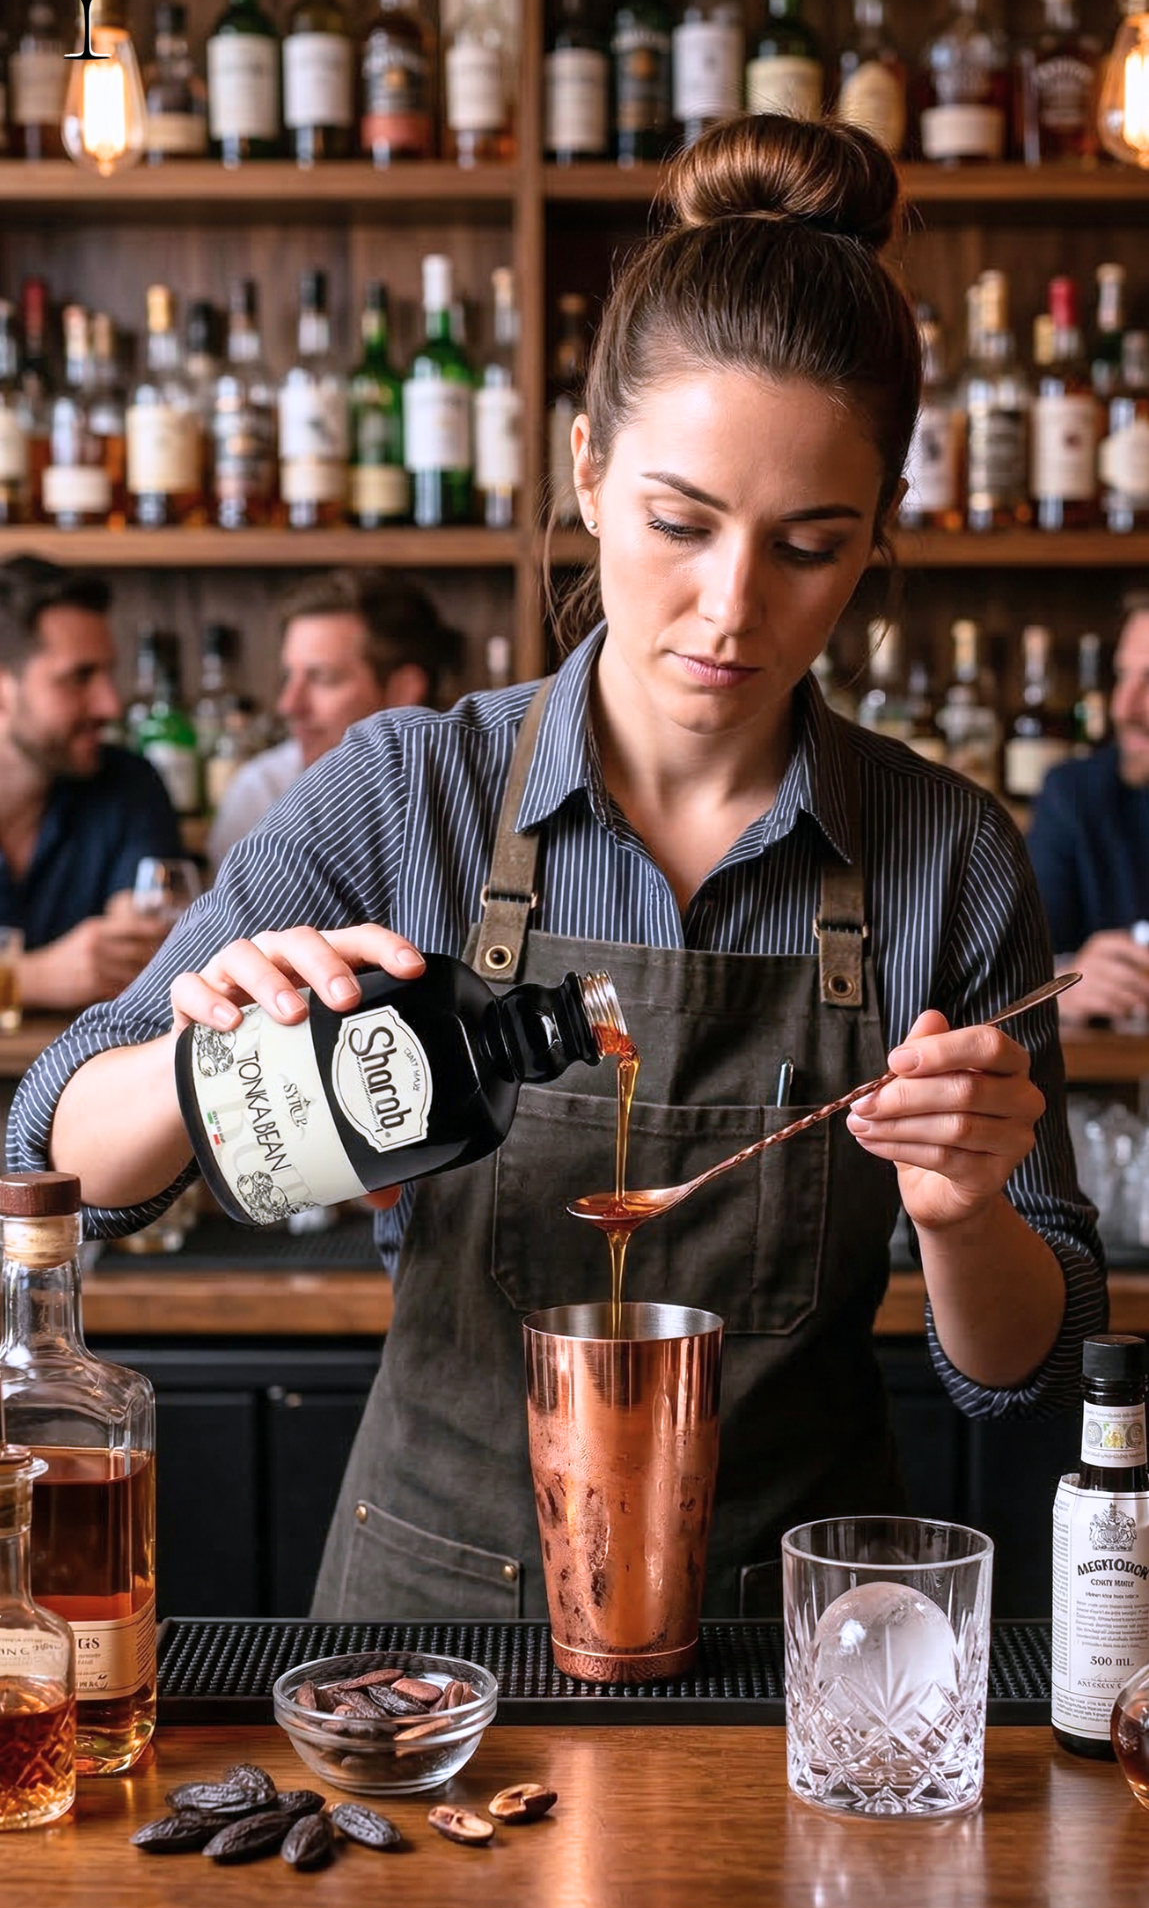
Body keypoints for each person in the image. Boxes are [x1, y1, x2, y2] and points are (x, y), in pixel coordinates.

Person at [10, 117, 1104, 1620]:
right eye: (679, 522)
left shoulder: (947, 853)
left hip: (788, 1644)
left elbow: (1024, 1371)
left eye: (807, 545)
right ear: (587, 472)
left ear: (871, 549)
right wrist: (205, 1053)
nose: (729, 607)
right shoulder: (413, 793)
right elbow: (45, 1155)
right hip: (437, 1639)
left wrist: (967, 1209)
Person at [0, 557, 178, 1011]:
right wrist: (33, 978)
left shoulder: (129, 784)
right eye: (80, 677)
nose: (111, 704)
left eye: (108, 673)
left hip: (93, 1079)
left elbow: (147, 955)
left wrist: (134, 947)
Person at [207, 570, 464, 871]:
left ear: (403, 689)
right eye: (289, 676)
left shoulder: (472, 792)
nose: (289, 704)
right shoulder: (262, 790)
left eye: (322, 678)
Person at [1028, 599, 1149, 1024]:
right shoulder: (1075, 794)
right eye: (1122, 676)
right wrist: (1067, 983)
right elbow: (1018, 974)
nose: (1124, 708)